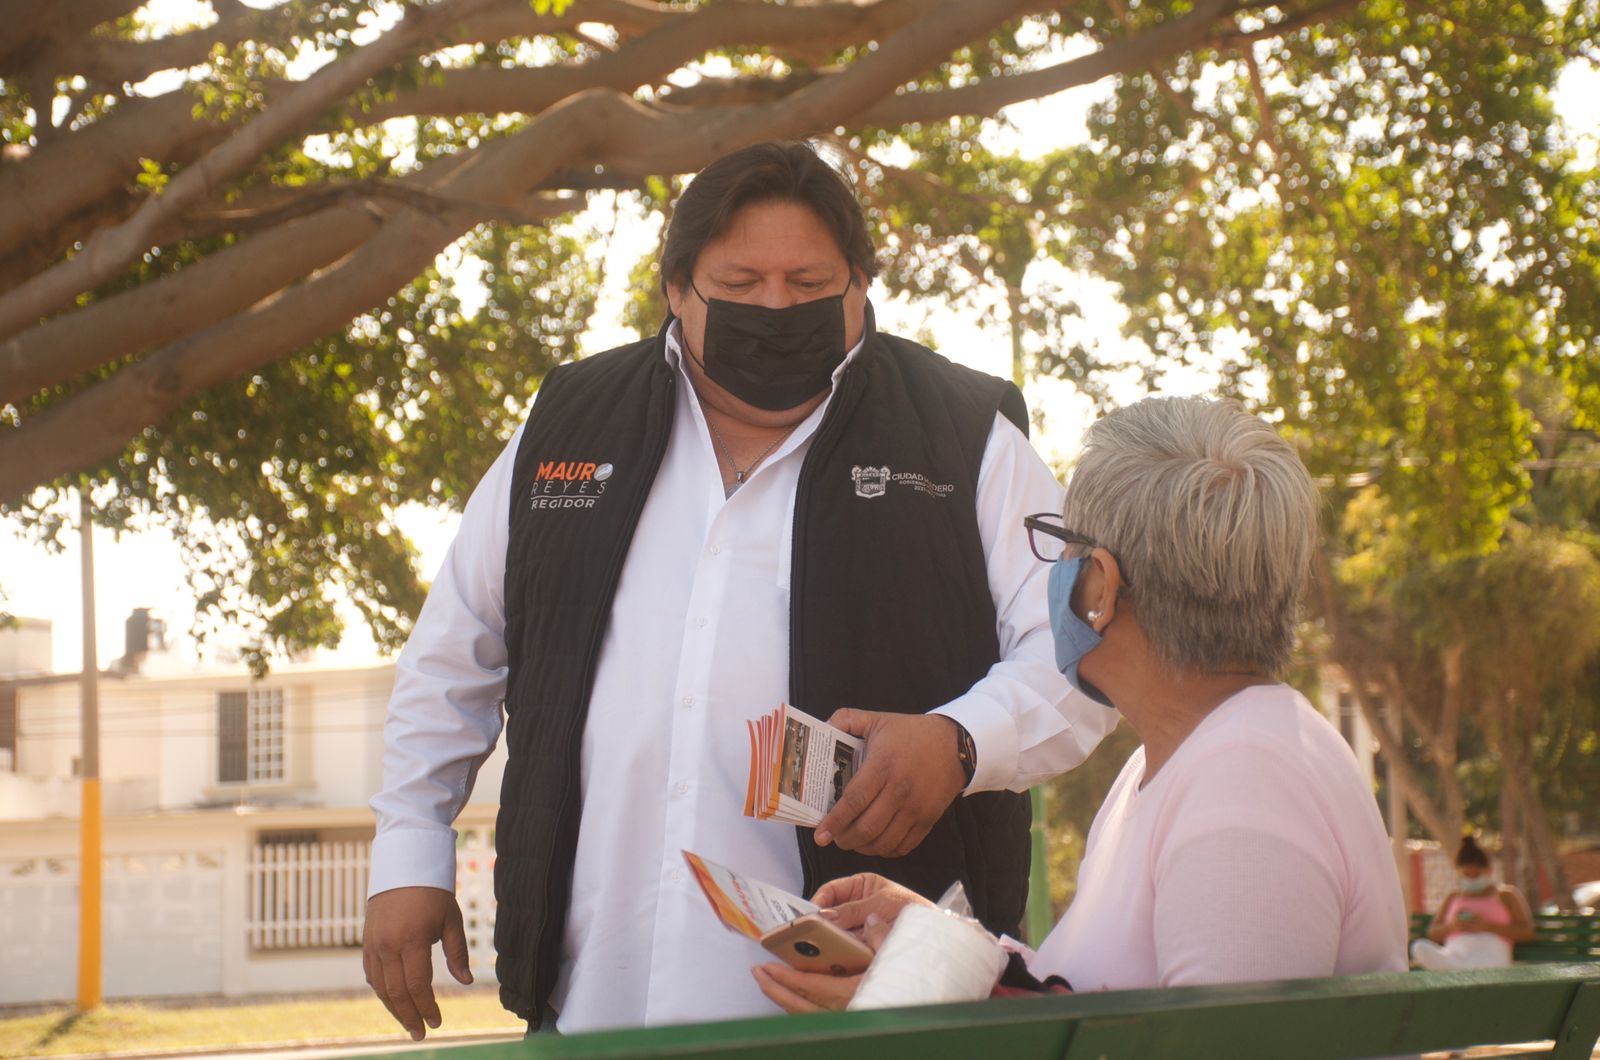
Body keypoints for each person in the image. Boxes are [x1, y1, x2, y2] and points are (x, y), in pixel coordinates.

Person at [361, 140, 1117, 1036]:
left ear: (860, 286)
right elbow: (455, 655)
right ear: (677, 290)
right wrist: (410, 853)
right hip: (591, 1007)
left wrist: (960, 742)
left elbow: (1084, 658)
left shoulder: (965, 437)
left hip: (874, 1018)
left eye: (807, 285)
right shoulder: (568, 422)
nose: (776, 307)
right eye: (742, 282)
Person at [754, 397, 1409, 1013]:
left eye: (1062, 542)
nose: (1053, 569)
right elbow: (1092, 993)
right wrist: (927, 945)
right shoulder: (1188, 759)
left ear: (1098, 585)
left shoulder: (1248, 786)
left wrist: (905, 997)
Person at [1410, 836, 1535, 970]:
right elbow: (1433, 933)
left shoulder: (1506, 895)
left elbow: (1527, 932)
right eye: (1467, 875)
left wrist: (1487, 927)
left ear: (1489, 870)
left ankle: (1462, 973)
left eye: (1477, 875)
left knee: (1487, 966)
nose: (1472, 879)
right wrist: (1452, 926)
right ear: (1458, 872)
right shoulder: (1453, 897)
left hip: (1491, 951)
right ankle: (1459, 970)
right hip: (1456, 951)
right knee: (1419, 947)